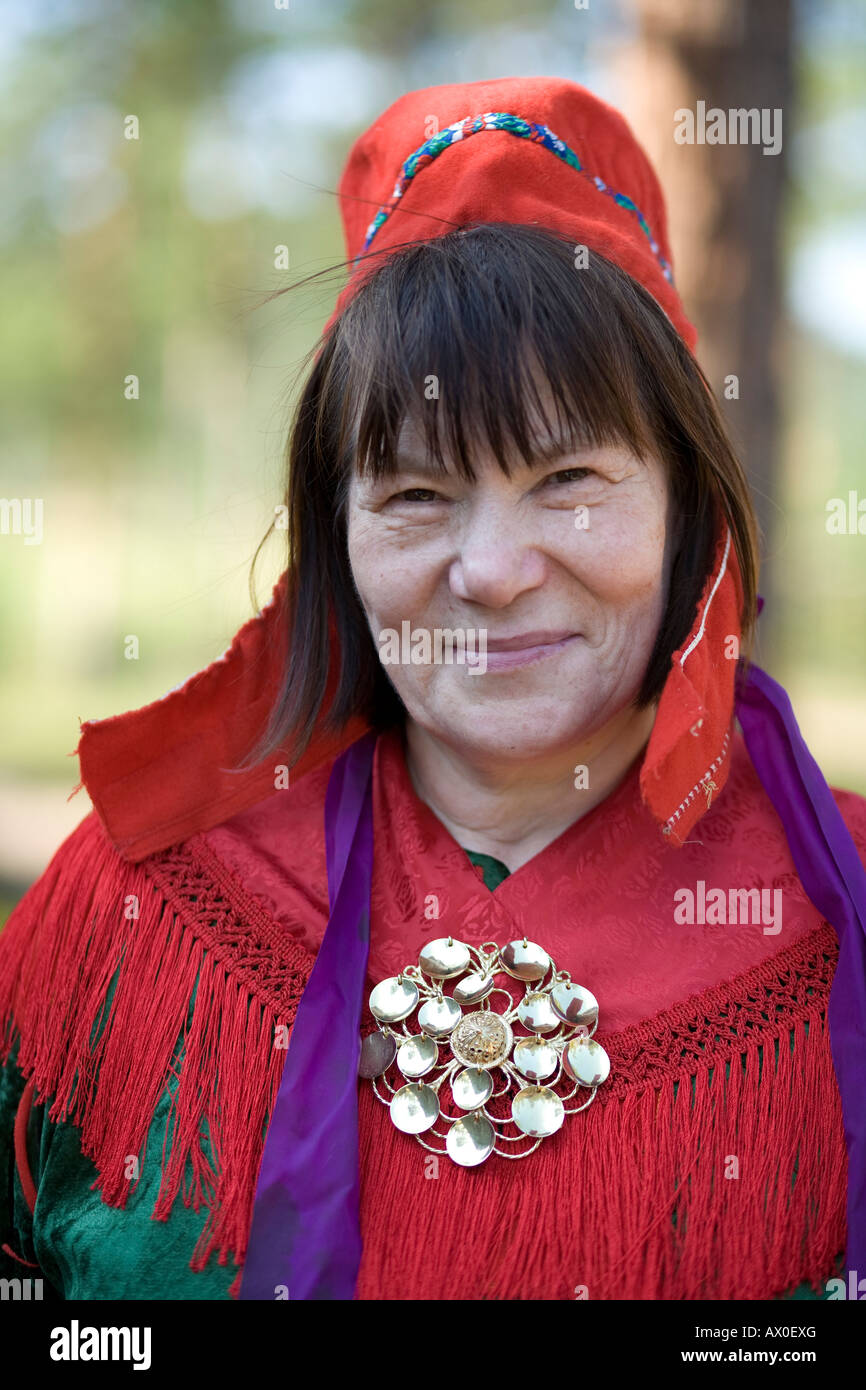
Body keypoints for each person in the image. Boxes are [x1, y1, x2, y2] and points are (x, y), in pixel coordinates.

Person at [2, 77, 865, 1302]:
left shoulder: (838, 918)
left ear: (689, 515)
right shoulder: (142, 907)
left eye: (568, 477)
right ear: (332, 539)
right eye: (415, 494)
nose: (493, 573)